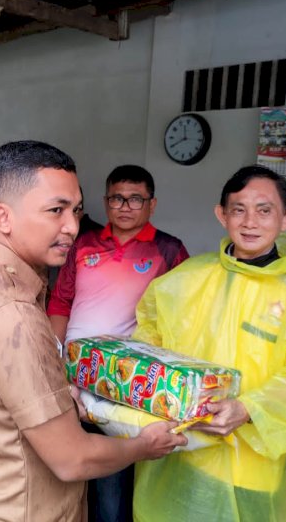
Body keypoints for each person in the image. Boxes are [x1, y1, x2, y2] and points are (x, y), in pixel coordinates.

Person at [0, 140, 187, 521]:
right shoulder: (14, 314)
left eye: (75, 210)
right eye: (56, 211)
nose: (72, 227)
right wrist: (143, 445)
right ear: (3, 217)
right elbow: (73, 459)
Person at [131, 164, 286, 522]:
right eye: (238, 209)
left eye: (264, 210)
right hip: (184, 449)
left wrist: (247, 408)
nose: (250, 222)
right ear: (221, 214)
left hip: (255, 461)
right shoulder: (186, 279)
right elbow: (148, 343)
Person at [48, 165, 189, 522]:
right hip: (70, 377)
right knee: (61, 476)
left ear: (151, 204)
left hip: (123, 383)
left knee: (111, 485)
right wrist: (55, 359)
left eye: (135, 199)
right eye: (117, 198)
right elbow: (61, 303)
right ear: (106, 201)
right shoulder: (83, 243)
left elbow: (179, 321)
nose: (125, 206)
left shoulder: (168, 251)